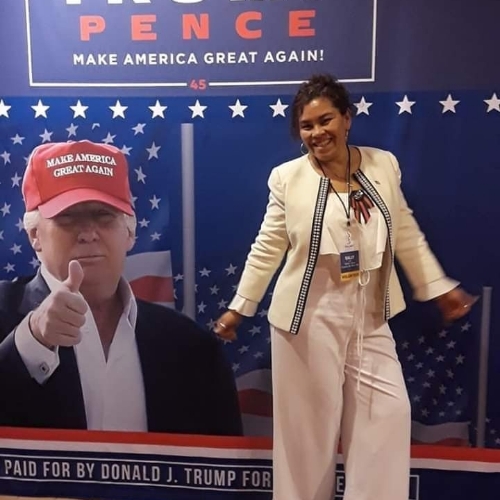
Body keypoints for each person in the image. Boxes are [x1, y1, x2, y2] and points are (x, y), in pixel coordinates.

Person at [215, 74, 477, 499]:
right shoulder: (287, 178)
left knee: (388, 418)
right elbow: (267, 247)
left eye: (326, 120)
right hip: (306, 319)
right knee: (308, 438)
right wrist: (239, 307)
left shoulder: (383, 165)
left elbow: (405, 232)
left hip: (370, 317)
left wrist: (437, 287)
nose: (317, 133)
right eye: (307, 126)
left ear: (347, 118)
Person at [0, 139, 242, 436]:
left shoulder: (192, 347)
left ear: (129, 231)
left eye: (104, 215)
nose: (88, 233)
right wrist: (32, 340)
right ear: (34, 234)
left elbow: (221, 459)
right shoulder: (4, 314)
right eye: (67, 217)